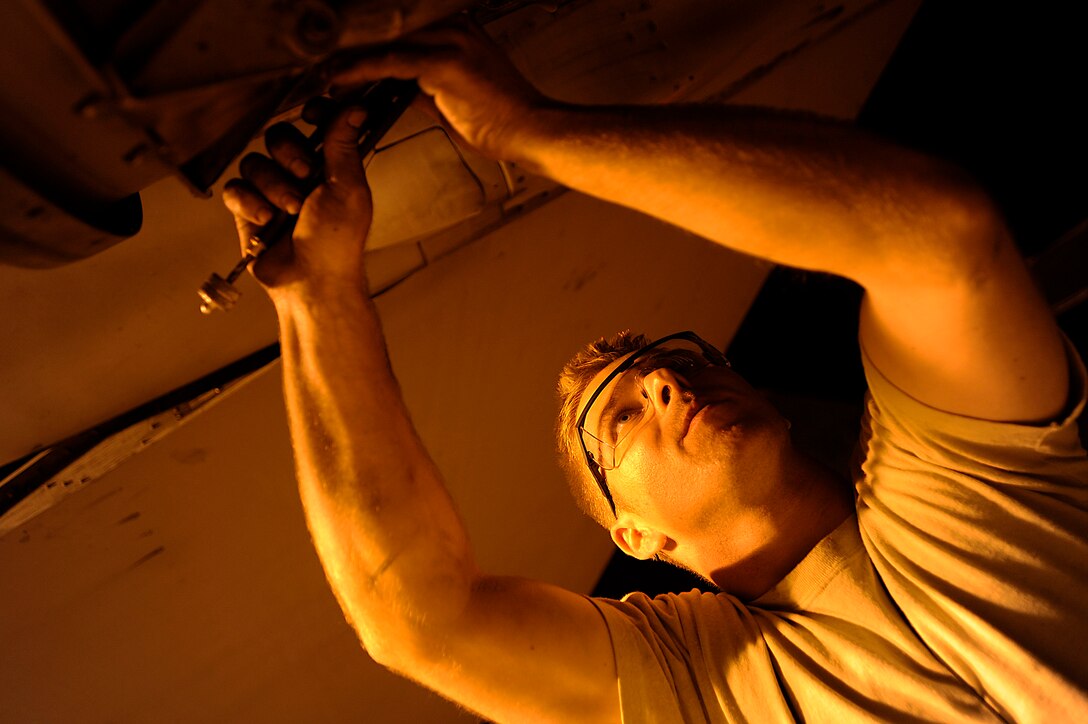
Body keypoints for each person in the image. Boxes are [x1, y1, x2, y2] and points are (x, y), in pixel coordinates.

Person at [221, 19, 1088, 723]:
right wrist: (319, 296)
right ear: (636, 539)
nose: (666, 384)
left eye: (675, 362)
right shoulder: (699, 681)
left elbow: (940, 241)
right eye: (623, 419)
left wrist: (528, 132)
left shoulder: (965, 474)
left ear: (772, 403)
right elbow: (421, 619)